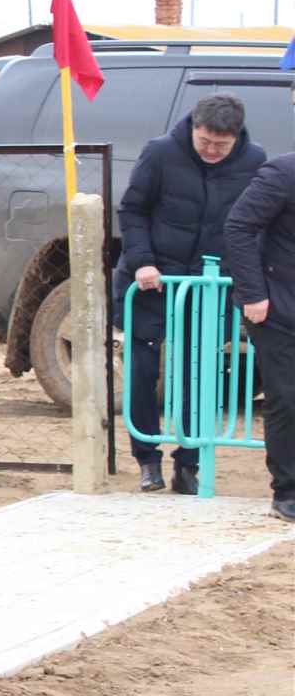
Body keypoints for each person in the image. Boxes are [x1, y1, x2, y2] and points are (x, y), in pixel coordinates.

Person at [116, 94, 266, 494]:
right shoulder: (160, 153)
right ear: (193, 128)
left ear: (236, 138)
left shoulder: (254, 161)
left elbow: (256, 222)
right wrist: (143, 261)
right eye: (205, 142)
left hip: (209, 286)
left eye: (221, 145)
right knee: (143, 370)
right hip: (153, 281)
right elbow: (132, 210)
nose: (211, 151)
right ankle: (147, 459)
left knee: (199, 373)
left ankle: (189, 462)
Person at [224, 145, 295, 522]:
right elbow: (238, 226)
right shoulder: (283, 173)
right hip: (279, 308)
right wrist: (253, 293)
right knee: (286, 398)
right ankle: (287, 492)